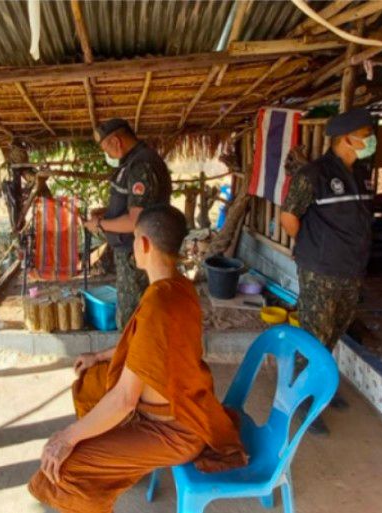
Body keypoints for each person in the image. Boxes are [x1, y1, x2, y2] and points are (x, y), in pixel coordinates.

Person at [29, 205, 247, 513]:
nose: (133, 245)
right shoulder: (179, 286)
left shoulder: (161, 301)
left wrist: (64, 438)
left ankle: (105, 470)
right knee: (91, 382)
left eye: (133, 239)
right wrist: (100, 355)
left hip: (175, 431)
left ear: (143, 244)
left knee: (65, 470)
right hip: (179, 408)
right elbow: (144, 346)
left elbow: (124, 401)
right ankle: (115, 464)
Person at [280, 107, 376, 435]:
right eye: (365, 135)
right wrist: (313, 246)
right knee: (313, 336)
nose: (370, 140)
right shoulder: (313, 176)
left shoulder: (362, 172)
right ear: (344, 139)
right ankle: (300, 400)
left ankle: (320, 389)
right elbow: (289, 218)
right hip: (321, 270)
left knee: (334, 333)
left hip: (351, 269)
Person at [85, 118, 172, 328]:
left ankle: (133, 359)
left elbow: (136, 221)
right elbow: (132, 205)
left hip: (138, 255)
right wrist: (107, 213)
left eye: (106, 147)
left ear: (116, 141)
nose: (107, 154)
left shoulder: (141, 165)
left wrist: (99, 225)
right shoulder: (133, 162)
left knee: (131, 318)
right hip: (133, 252)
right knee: (136, 315)